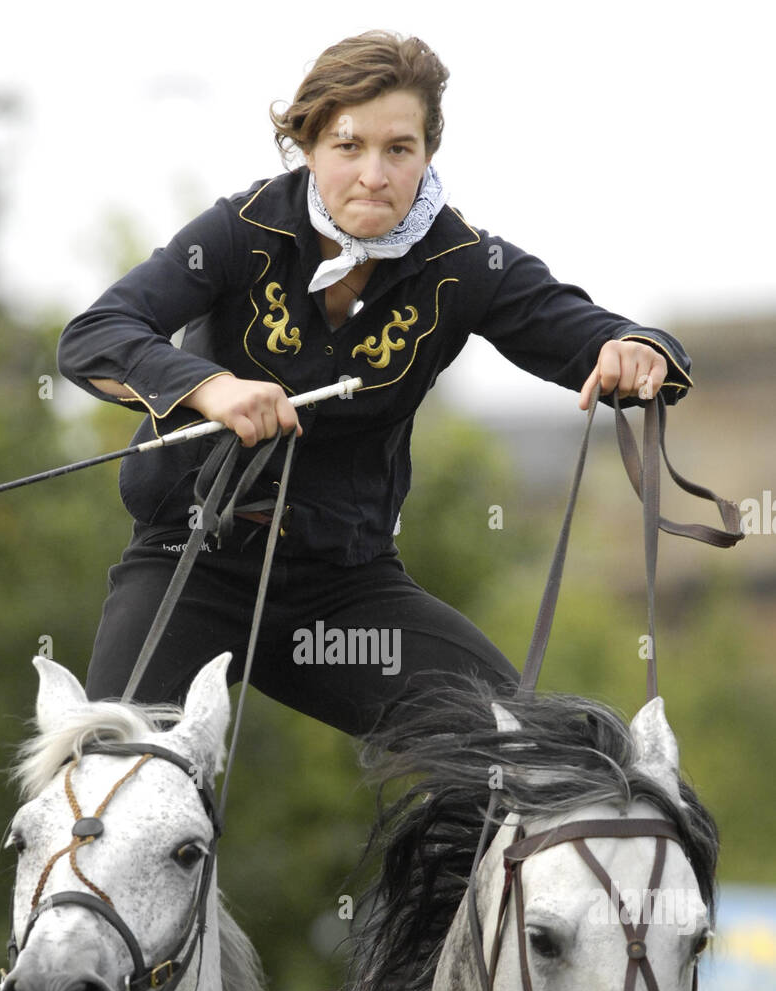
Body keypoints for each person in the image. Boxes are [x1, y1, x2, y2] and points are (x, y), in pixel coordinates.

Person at [57, 29, 692, 735]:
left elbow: (597, 334)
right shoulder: (236, 230)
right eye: (348, 146)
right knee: (115, 776)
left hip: (344, 590)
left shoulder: (466, 262)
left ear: (426, 153)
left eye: (399, 149)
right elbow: (95, 337)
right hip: (189, 565)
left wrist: (634, 350)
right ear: (307, 147)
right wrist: (210, 387)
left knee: (532, 754)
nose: (373, 175)